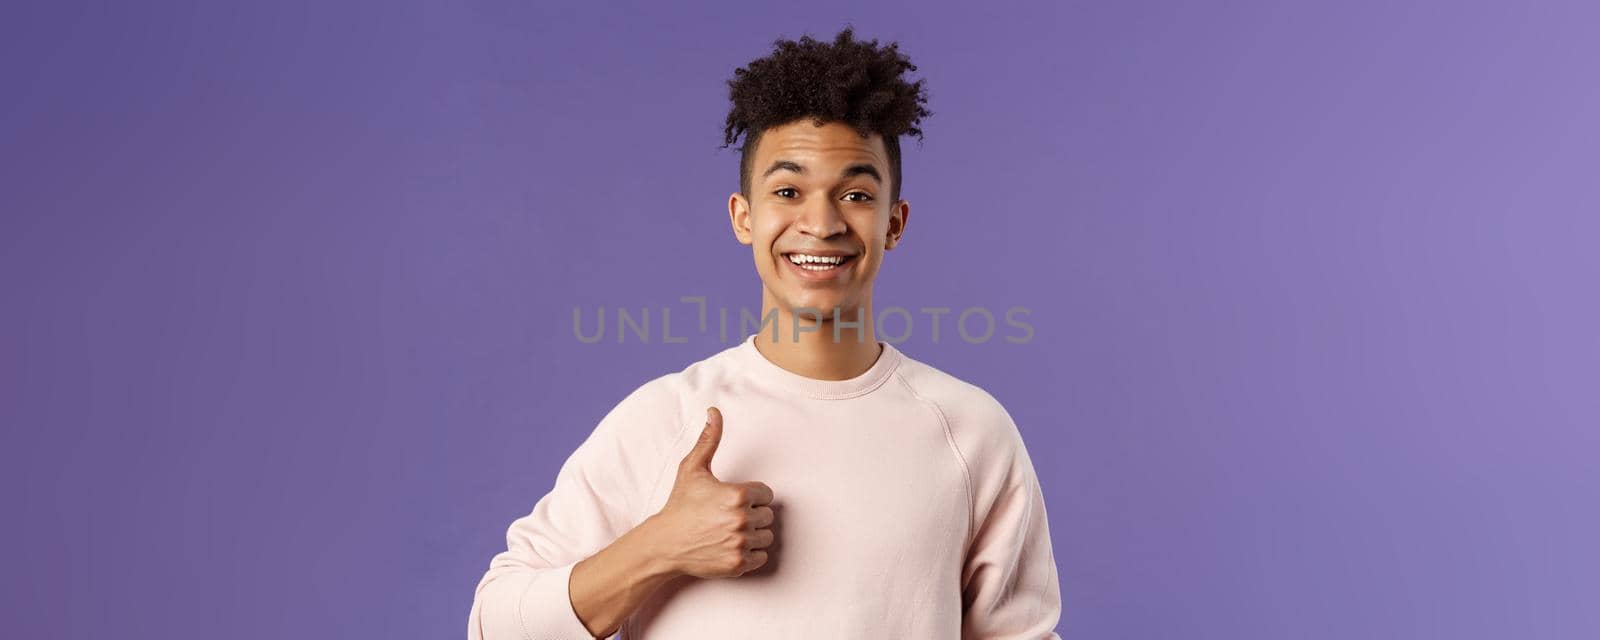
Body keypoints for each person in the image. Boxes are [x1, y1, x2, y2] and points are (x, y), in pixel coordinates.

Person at [467, 27, 1062, 639]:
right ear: (743, 216)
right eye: (788, 191)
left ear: (895, 223)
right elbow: (494, 624)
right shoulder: (667, 420)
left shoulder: (971, 432)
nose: (822, 223)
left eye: (855, 193)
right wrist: (658, 547)